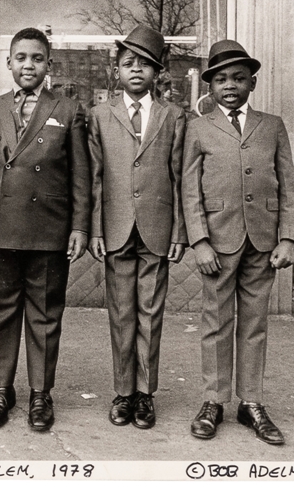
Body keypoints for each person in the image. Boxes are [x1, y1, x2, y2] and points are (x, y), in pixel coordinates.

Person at [0, 27, 91, 431]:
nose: (28, 65)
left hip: (48, 227)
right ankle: (1, 390)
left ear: (48, 65)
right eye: (21, 57)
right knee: (1, 313)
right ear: (8, 62)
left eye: (37, 58)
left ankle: (41, 394)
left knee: (44, 314)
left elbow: (81, 175)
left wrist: (79, 226)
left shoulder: (70, 110)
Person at [182, 39, 294, 445]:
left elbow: (288, 184)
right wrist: (198, 240)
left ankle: (251, 402)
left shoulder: (272, 125)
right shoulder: (198, 127)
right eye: (220, 79)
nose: (229, 85)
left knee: (254, 323)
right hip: (217, 240)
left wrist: (288, 237)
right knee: (215, 321)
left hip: (263, 241)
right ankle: (213, 400)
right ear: (210, 87)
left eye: (237, 77)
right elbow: (189, 189)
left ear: (252, 81)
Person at [87, 25, 187, 429]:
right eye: (128, 64)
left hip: (157, 227)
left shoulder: (174, 116)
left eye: (144, 65)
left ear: (157, 73)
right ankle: (122, 391)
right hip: (114, 226)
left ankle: (145, 394)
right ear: (116, 72)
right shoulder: (99, 115)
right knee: (121, 313)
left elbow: (180, 177)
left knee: (150, 312)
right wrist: (94, 229)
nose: (136, 71)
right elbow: (94, 176)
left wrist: (179, 232)